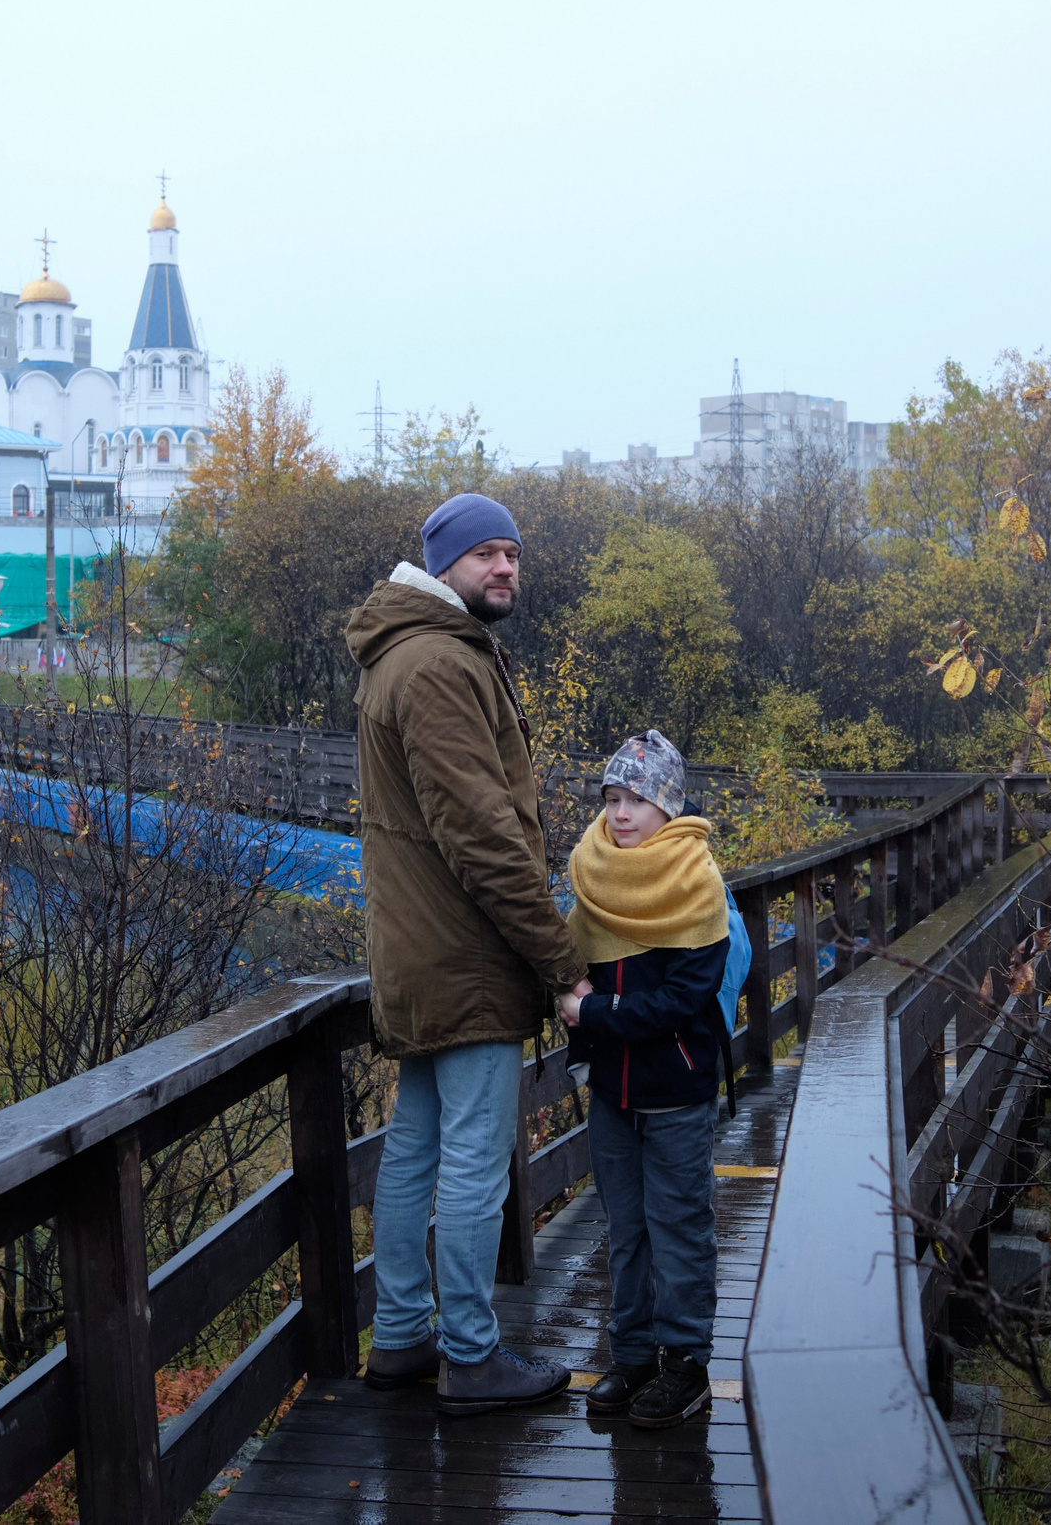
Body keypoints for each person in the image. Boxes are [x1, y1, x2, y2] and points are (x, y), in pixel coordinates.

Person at [344, 491, 589, 1415]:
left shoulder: (404, 652)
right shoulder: (441, 663)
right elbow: (484, 836)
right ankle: (472, 1355)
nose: (505, 569)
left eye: (513, 554)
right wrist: (560, 964)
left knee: (413, 1149)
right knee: (476, 1159)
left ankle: (403, 1338)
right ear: (443, 563)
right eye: (486, 553)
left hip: (415, 952)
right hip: (465, 955)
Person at [558, 728, 728, 1429]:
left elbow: (684, 1001)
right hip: (612, 1092)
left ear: (669, 806)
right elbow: (571, 961)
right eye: (612, 796)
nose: (621, 812)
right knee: (624, 1229)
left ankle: (685, 1365)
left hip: (677, 1090)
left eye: (637, 798)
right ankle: (631, 1356)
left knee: (680, 1227)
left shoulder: (695, 880)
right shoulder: (592, 874)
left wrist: (594, 1009)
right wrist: (566, 991)